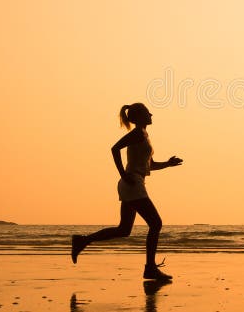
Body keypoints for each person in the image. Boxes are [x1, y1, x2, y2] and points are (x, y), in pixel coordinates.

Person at [71, 103, 182, 281]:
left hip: (133, 183)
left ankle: (82, 241)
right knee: (156, 223)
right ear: (139, 116)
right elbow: (114, 149)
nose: (151, 114)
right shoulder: (138, 133)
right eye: (147, 112)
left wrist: (168, 164)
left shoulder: (144, 135)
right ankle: (150, 268)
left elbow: (150, 165)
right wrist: (123, 174)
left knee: (124, 229)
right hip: (132, 183)